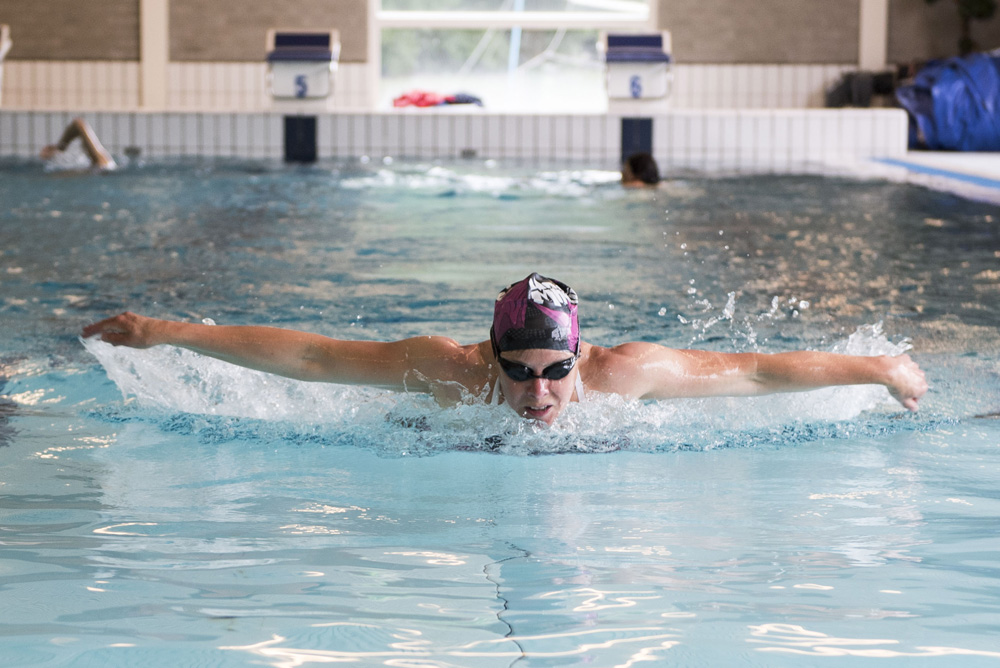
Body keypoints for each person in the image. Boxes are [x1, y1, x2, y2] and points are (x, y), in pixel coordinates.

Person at [82, 273, 928, 427]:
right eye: (518, 375)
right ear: (487, 359)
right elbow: (310, 358)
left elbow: (761, 371)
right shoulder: (443, 370)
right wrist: (163, 333)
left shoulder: (623, 375)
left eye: (555, 373)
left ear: (580, 356)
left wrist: (884, 368)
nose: (539, 397)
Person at [40, 117, 116, 171]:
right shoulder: (103, 163)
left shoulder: (102, 163)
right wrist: (59, 148)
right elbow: (78, 124)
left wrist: (59, 148)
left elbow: (78, 123)